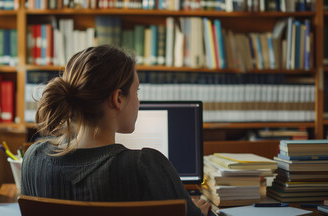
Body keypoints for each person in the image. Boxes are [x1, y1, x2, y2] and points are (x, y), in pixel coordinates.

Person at [21, 45, 210, 216]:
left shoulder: (33, 159)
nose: (138, 101)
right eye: (136, 91)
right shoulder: (145, 167)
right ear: (118, 99)